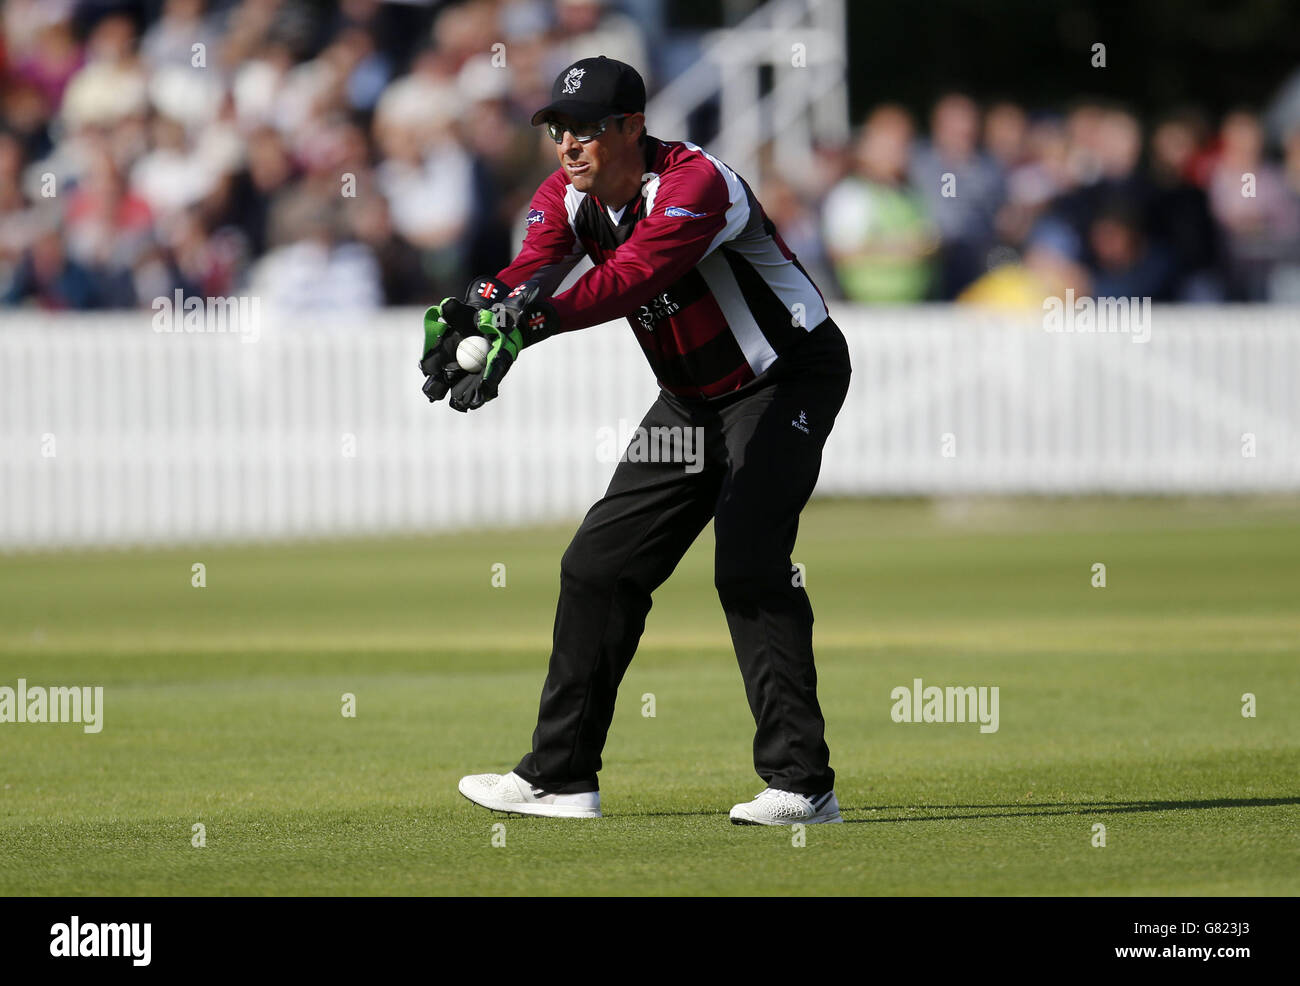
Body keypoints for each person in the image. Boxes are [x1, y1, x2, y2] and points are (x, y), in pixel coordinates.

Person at [418, 56, 852, 825]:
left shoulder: (697, 185)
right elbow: (530, 272)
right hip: (689, 405)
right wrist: (479, 313)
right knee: (596, 567)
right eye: (559, 130)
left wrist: (532, 324)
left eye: (587, 129)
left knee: (748, 558)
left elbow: (633, 278)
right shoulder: (564, 194)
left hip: (785, 381)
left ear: (631, 128)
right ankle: (561, 778)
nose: (570, 146)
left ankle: (803, 785)